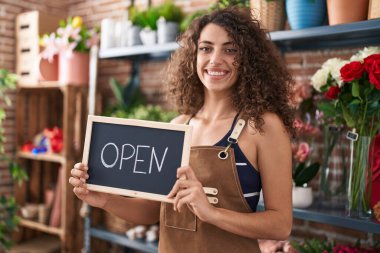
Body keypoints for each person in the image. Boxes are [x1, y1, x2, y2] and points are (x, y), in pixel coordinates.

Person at [70, 7, 295, 253]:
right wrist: (104, 199)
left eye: (230, 50)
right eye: (206, 48)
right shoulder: (177, 127)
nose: (215, 59)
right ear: (194, 56)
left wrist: (211, 213)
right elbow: (154, 210)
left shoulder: (262, 126)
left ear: (249, 59)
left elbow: (280, 225)